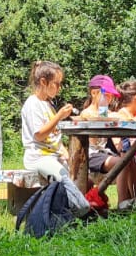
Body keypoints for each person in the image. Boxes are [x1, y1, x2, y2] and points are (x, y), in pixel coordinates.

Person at [20, 60, 90, 213]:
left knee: (84, 176)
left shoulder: (48, 104)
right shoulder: (32, 104)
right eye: (57, 83)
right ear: (44, 82)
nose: (60, 88)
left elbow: (55, 140)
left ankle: (87, 210)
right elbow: (39, 135)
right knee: (65, 180)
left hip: (54, 156)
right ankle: (82, 212)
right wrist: (59, 116)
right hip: (38, 157)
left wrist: (68, 155)